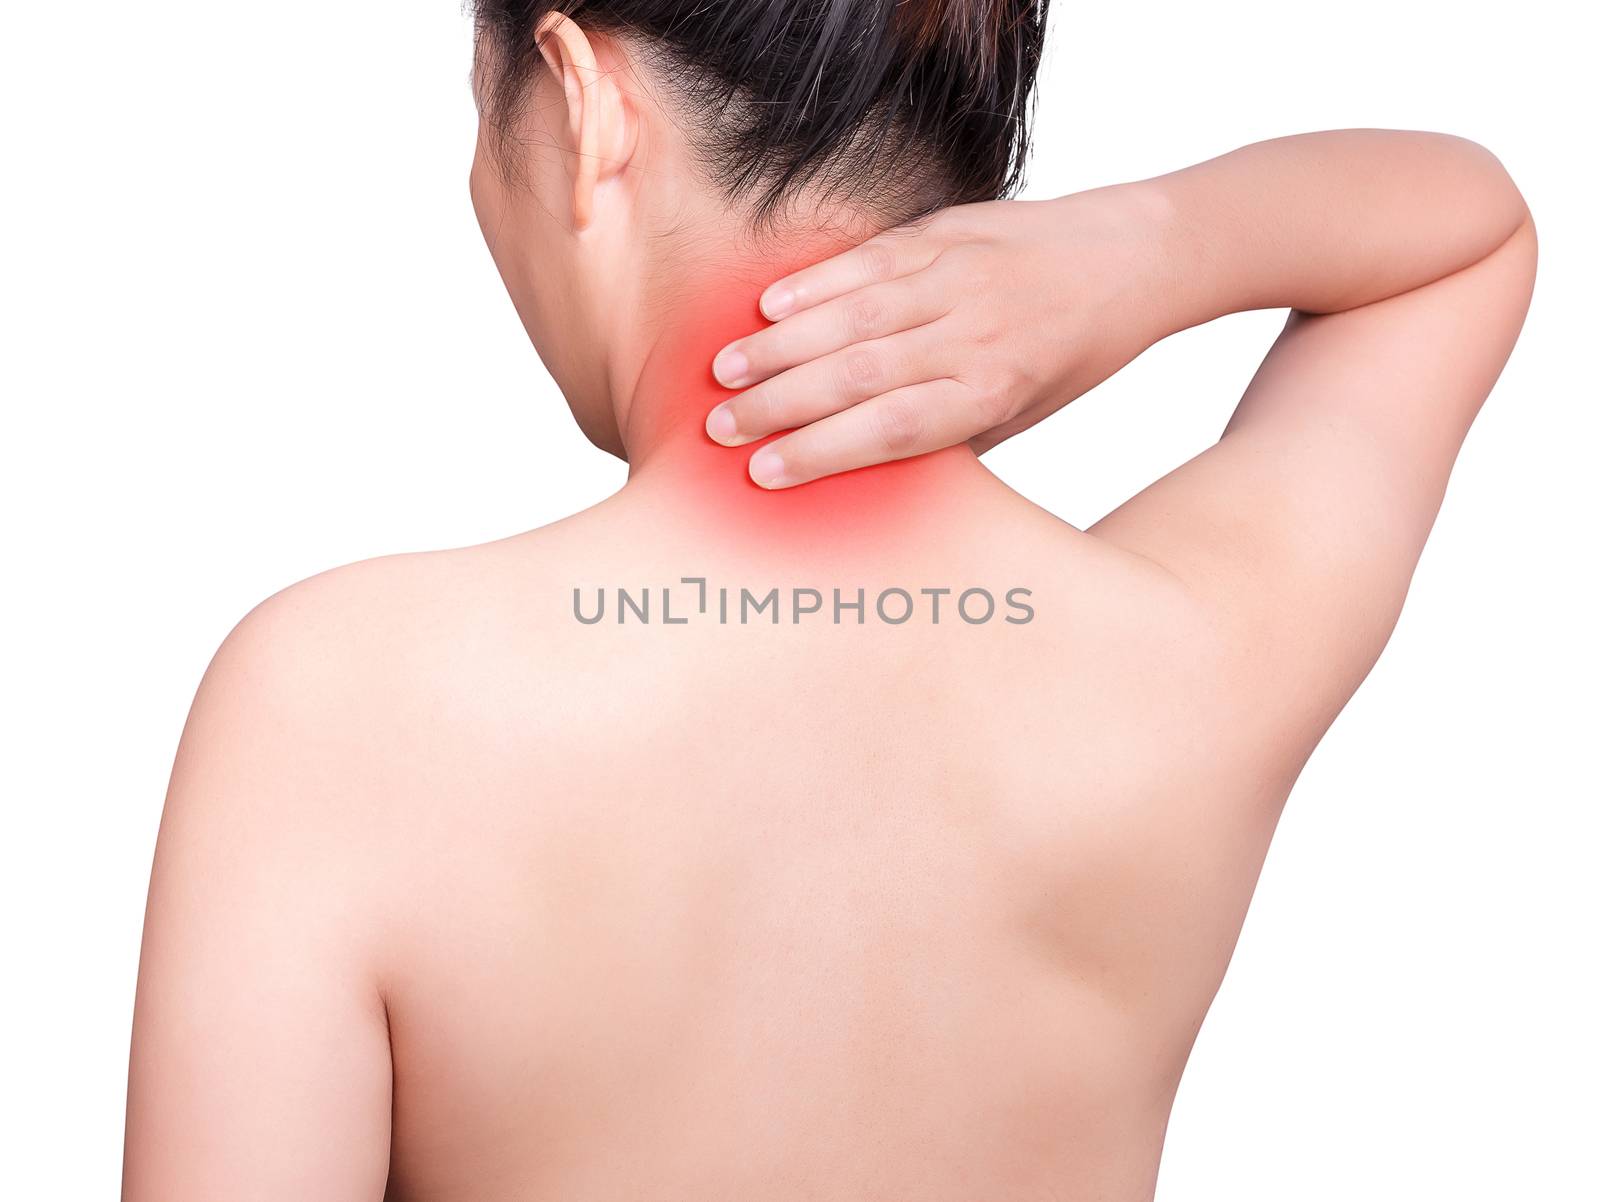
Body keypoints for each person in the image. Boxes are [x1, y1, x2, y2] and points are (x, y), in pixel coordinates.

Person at [122, 1, 1536, 1198]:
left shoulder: (333, 709)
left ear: (580, 99)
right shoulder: (1188, 654)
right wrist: (1146, 247)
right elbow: (1466, 234)